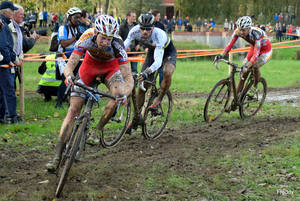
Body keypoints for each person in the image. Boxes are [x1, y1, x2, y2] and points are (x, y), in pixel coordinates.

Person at [46, 15, 134, 171]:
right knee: (73, 110)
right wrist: (69, 76)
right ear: (96, 32)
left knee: (118, 93)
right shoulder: (87, 36)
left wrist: (125, 94)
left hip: (110, 69)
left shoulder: (118, 44)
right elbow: (71, 63)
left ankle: (98, 129)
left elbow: (129, 78)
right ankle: (57, 156)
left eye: (109, 39)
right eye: (102, 38)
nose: (105, 42)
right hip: (89, 66)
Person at [123, 13, 177, 134]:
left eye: (148, 29)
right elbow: (123, 46)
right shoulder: (134, 31)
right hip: (152, 53)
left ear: (153, 27)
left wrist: (148, 71)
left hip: (167, 53)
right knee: (142, 88)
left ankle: (159, 99)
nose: (144, 32)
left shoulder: (159, 35)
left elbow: (158, 62)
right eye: (142, 28)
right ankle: (136, 118)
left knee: (167, 72)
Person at [214, 16, 272, 97]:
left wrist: (247, 66)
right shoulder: (237, 31)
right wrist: (220, 56)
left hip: (265, 50)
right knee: (242, 73)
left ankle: (254, 87)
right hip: (254, 47)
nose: (241, 32)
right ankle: (235, 100)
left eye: (243, 30)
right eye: (240, 30)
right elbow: (229, 46)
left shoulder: (256, 34)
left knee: (255, 66)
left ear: (249, 28)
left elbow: (256, 55)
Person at [55, 7, 82, 108]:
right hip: (62, 56)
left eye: (79, 17)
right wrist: (76, 38)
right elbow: (63, 44)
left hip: (73, 57)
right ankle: (58, 104)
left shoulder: (78, 29)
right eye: (76, 18)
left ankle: (71, 101)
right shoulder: (63, 28)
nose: (78, 20)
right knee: (65, 78)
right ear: (70, 18)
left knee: (76, 78)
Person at [0, 1, 22, 124]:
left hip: (3, 61)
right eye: (12, 10)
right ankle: (13, 117)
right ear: (5, 12)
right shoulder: (2, 24)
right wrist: (10, 60)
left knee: (1, 92)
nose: (14, 12)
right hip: (3, 63)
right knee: (9, 91)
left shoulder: (4, 23)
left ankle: (1, 116)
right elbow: (4, 46)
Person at [8, 4, 24, 90]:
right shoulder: (8, 27)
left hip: (16, 63)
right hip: (9, 63)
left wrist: (20, 58)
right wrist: (16, 60)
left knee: (12, 89)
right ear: (14, 15)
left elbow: (20, 46)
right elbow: (8, 47)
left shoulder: (19, 27)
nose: (23, 16)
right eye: (21, 14)